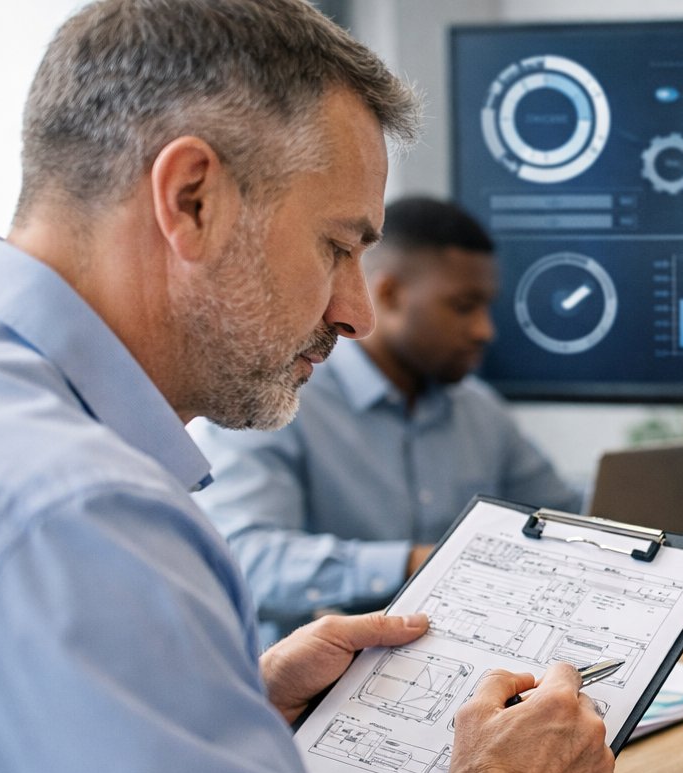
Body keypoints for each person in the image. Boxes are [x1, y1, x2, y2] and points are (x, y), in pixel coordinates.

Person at [0, 3, 616, 773]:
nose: (354, 310)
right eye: (337, 247)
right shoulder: (78, 512)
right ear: (192, 199)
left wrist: (224, 700)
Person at [191, 196, 582, 646]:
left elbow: (564, 515)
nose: (484, 330)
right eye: (463, 306)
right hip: (313, 680)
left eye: (486, 307)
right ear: (391, 295)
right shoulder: (276, 399)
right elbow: (245, 562)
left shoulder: (480, 410)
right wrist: (414, 563)